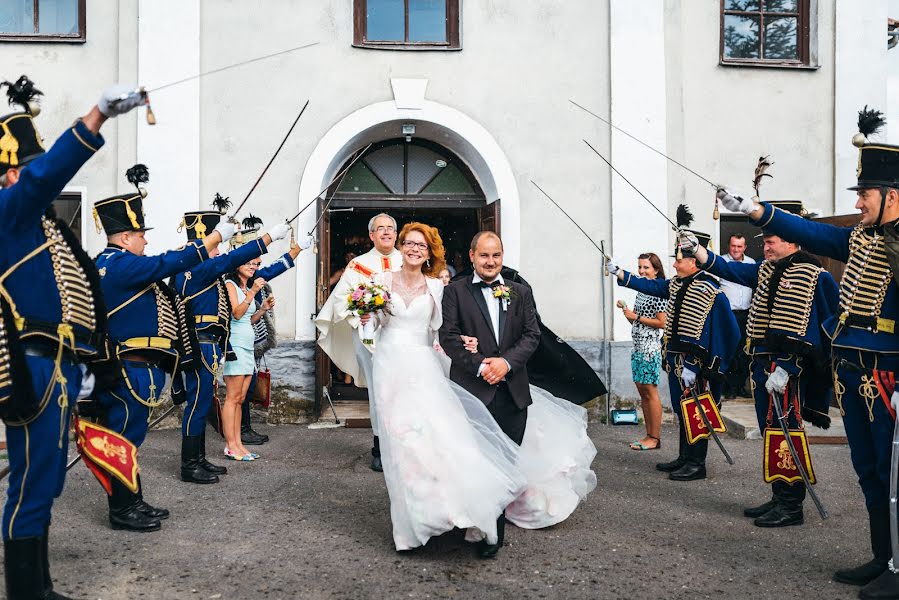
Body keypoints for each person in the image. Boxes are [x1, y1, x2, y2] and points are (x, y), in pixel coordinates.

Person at [716, 107, 899, 598]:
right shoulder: (860, 236)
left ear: (892, 196)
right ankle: (885, 558)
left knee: (892, 470)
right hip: (855, 370)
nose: (858, 202)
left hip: (890, 374)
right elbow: (815, 233)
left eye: (865, 194)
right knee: (867, 467)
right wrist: (759, 212)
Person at [0, 76, 144, 599]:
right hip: (30, 362)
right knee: (31, 483)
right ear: (10, 174)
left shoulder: (38, 228)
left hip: (57, 363)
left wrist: (82, 363)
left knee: (45, 480)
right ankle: (25, 592)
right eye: (24, 169)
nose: (32, 177)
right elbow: (43, 176)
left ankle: (37, 587)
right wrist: (97, 116)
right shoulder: (10, 211)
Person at [368, 225, 594, 556]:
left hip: (512, 388)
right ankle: (486, 526)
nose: (490, 261)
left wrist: (504, 364)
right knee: (473, 457)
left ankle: (490, 524)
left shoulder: (519, 292)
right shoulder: (455, 291)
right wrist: (476, 363)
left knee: (507, 458)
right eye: (484, 255)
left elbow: (532, 336)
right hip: (469, 387)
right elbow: (447, 335)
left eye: (496, 255)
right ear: (472, 257)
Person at [93, 165, 235, 532]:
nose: (144, 241)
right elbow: (166, 263)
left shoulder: (115, 263)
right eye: (140, 235)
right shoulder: (121, 263)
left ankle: (132, 501)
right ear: (124, 237)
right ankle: (122, 508)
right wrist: (214, 238)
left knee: (129, 437)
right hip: (128, 366)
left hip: (138, 364)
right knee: (124, 438)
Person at [683, 202, 839, 527]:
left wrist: (788, 367)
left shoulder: (815, 274)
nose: (765, 246)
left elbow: (817, 326)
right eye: (764, 242)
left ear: (793, 240)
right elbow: (729, 270)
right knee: (772, 432)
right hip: (762, 368)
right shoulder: (765, 270)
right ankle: (778, 496)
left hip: (787, 372)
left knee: (787, 433)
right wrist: (697, 249)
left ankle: (791, 506)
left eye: (771, 241)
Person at [608, 205, 740, 482]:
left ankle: (697, 463)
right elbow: (650, 286)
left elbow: (728, 333)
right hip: (678, 362)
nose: (676, 263)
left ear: (695, 262)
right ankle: (685, 457)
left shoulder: (709, 289)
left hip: (699, 365)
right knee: (683, 411)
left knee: (698, 412)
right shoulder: (678, 284)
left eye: (680, 259)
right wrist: (619, 272)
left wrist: (712, 367)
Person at [171, 202, 296, 481]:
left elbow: (253, 271)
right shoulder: (197, 265)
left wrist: (290, 255)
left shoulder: (202, 267)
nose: (218, 251)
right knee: (197, 403)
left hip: (209, 342)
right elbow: (231, 261)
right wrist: (267, 239)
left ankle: (199, 459)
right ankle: (190, 464)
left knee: (202, 402)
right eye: (215, 245)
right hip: (200, 341)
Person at [315, 213, 403, 472]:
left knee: (404, 392)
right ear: (372, 235)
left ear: (396, 234)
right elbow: (341, 298)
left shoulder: (407, 260)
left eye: (390, 228)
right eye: (380, 229)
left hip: (402, 338)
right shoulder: (358, 265)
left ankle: (403, 447)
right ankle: (379, 446)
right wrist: (358, 310)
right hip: (370, 339)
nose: (386, 232)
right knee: (379, 393)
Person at [240, 230, 311, 445]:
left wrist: (297, 248)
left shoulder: (254, 279)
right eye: (250, 262)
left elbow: (277, 267)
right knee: (241, 389)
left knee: (248, 386)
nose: (255, 266)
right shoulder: (231, 283)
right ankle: (239, 431)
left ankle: (243, 428)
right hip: (235, 342)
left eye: (256, 263)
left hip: (249, 341)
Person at [618, 253, 667, 451]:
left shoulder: (659, 290)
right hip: (638, 346)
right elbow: (637, 319)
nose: (641, 271)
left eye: (646, 267)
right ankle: (648, 435)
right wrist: (627, 312)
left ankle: (654, 438)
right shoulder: (642, 290)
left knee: (650, 391)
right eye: (639, 267)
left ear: (656, 269)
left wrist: (635, 316)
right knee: (642, 392)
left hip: (649, 349)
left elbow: (662, 322)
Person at [720, 234, 755, 398]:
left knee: (744, 352)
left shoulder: (751, 263)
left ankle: (740, 387)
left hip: (746, 314)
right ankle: (728, 389)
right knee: (729, 351)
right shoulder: (721, 263)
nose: (736, 249)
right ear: (729, 246)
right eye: (733, 246)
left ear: (745, 248)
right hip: (728, 314)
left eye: (739, 246)